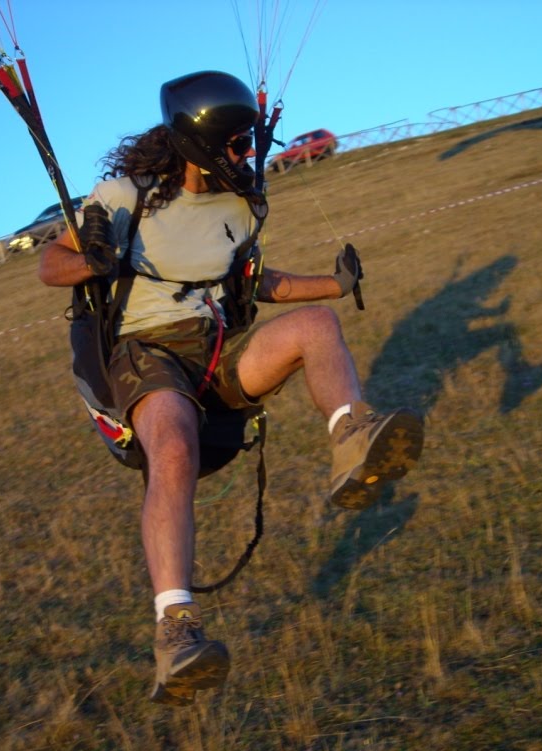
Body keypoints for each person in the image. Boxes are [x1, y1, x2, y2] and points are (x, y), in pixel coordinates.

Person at [39, 71, 424, 706]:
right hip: (147, 351)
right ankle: (176, 632)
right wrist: (92, 263)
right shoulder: (121, 197)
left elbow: (256, 280)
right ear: (203, 144)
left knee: (317, 328)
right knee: (171, 448)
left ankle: (354, 444)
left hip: (216, 348)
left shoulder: (242, 205)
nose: (252, 154)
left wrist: (334, 284)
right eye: (241, 144)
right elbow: (51, 265)